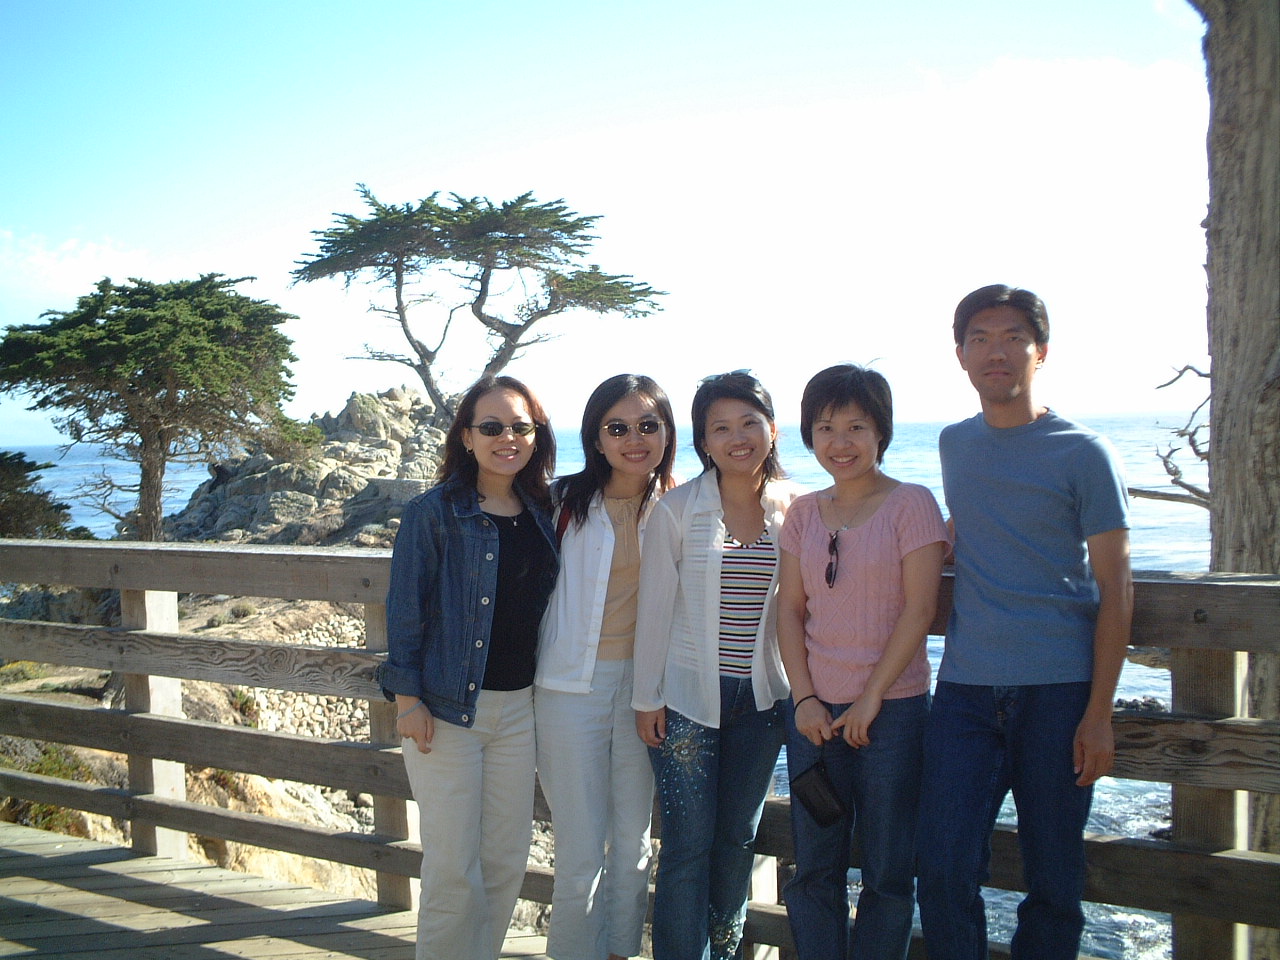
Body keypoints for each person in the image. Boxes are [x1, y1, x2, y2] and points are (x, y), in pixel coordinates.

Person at [916, 285, 1134, 960]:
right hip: (964, 691)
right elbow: (969, 524)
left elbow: (1117, 588)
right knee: (942, 867)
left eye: (1013, 337)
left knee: (1054, 880)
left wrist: (1099, 713)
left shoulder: (1085, 452)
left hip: (1059, 693)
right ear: (960, 355)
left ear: (1041, 351)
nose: (997, 352)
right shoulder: (955, 444)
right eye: (980, 338)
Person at [381, 375, 559, 960]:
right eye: (491, 427)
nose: (507, 437)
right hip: (446, 711)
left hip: (520, 711)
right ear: (466, 436)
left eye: (520, 426)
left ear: (536, 435)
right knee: (453, 869)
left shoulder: (544, 510)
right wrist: (407, 700)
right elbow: (405, 611)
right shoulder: (433, 512)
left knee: (506, 861)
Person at [777, 364, 947, 960]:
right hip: (815, 719)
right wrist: (804, 699)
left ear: (881, 432)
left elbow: (919, 609)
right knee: (814, 867)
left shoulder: (911, 503)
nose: (840, 442)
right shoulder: (803, 513)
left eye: (856, 427)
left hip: (892, 714)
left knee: (888, 870)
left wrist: (871, 697)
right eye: (825, 427)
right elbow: (789, 611)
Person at [632, 370, 802, 960]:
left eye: (749, 423)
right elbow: (654, 612)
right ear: (703, 441)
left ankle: (724, 953)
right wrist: (646, 699)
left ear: (772, 429)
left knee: (736, 840)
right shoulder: (678, 509)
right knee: (687, 846)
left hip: (764, 702)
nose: (737, 438)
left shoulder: (796, 508)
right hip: (684, 701)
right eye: (720, 428)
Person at [535, 374, 679, 960]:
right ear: (596, 438)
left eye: (648, 425)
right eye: (617, 428)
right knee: (579, 847)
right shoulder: (559, 502)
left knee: (634, 841)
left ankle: (620, 950)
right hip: (569, 688)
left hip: (648, 691)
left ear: (667, 433)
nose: (634, 439)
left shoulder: (683, 505)